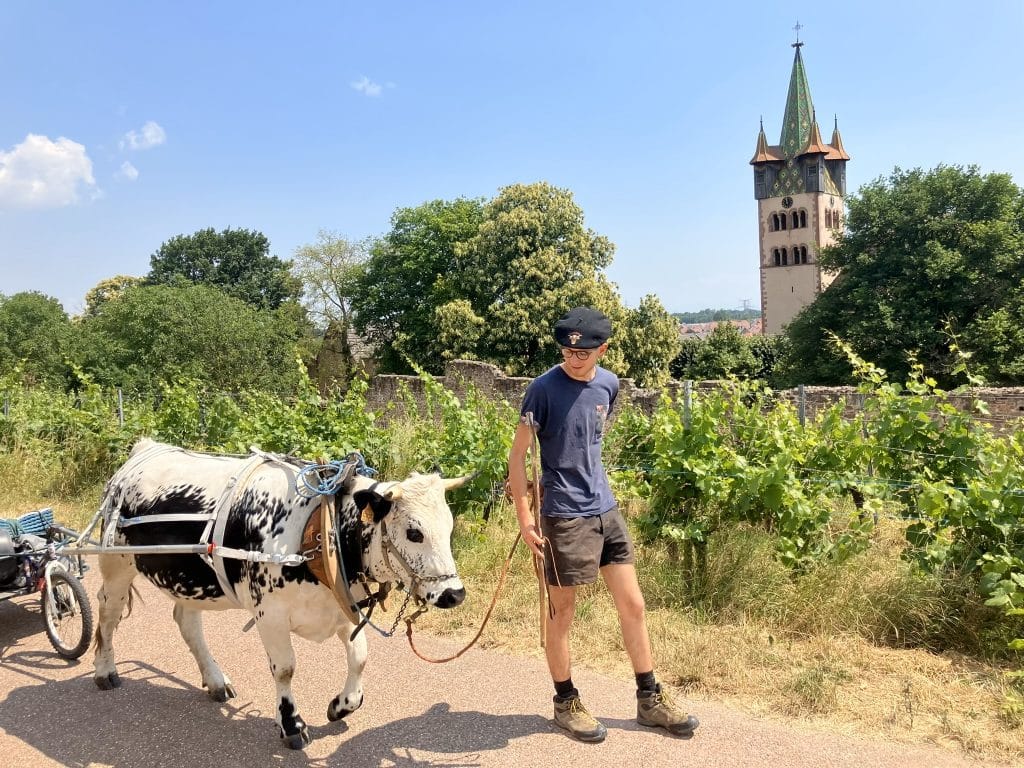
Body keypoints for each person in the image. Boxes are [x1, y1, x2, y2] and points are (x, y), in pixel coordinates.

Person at [507, 306, 700, 743]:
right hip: (563, 514)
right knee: (562, 613)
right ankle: (565, 702)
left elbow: (590, 440)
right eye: (567, 351)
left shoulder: (609, 386)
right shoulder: (541, 390)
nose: (574, 359)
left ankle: (649, 699)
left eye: (584, 352)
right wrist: (525, 517)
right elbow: (517, 456)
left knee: (633, 605)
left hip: (605, 509)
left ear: (603, 349)